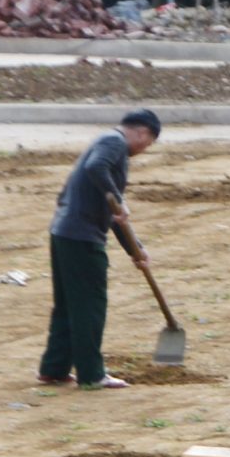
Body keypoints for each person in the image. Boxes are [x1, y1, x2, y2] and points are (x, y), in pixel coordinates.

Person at [37, 108, 161, 390]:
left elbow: (114, 214)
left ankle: (54, 368)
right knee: (89, 306)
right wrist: (118, 198)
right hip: (81, 238)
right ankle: (92, 374)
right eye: (149, 142)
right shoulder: (114, 142)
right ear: (142, 133)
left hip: (64, 233)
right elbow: (98, 172)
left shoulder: (106, 144)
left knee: (68, 305)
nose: (144, 149)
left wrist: (135, 250)